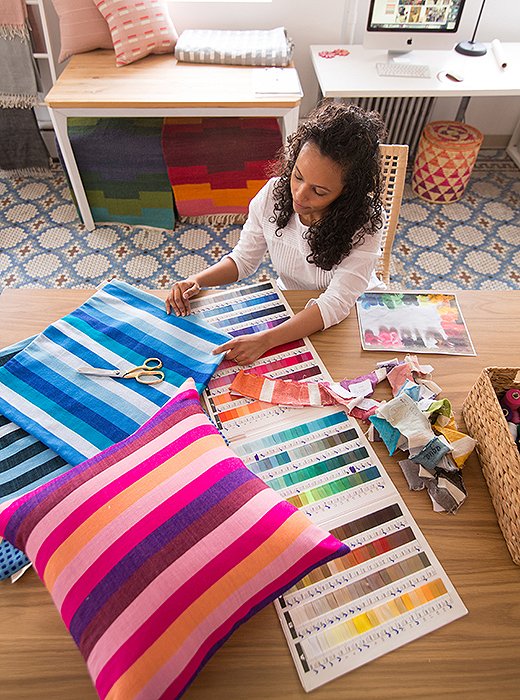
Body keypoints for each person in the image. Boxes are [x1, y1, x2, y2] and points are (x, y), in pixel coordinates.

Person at [166, 101, 387, 365]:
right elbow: (244, 260)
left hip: (355, 313)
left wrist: (265, 340)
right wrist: (197, 280)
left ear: (347, 194)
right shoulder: (273, 194)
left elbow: (337, 302)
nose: (300, 194)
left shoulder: (365, 221)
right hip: (294, 307)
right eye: (298, 176)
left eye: (319, 191)